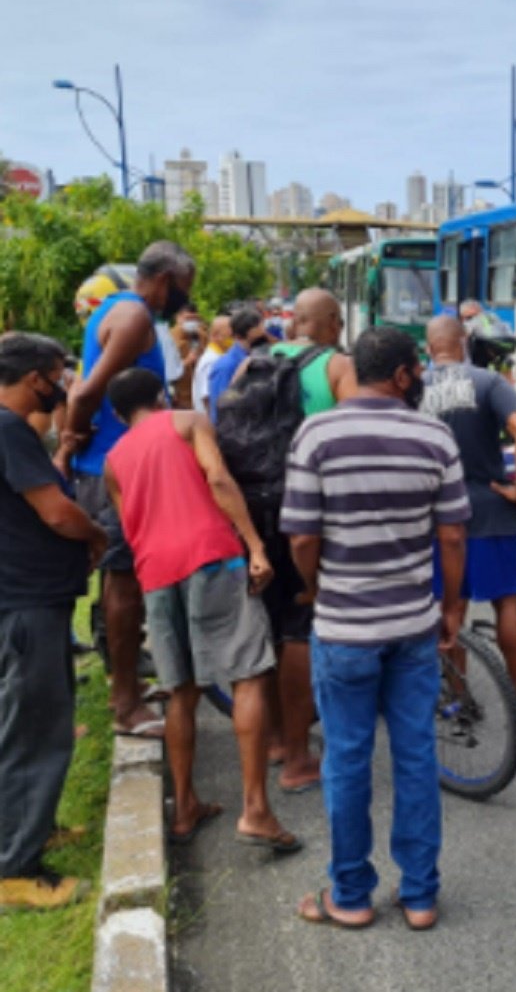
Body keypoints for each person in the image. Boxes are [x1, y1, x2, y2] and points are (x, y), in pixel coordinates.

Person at [282, 326, 469, 931]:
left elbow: (303, 535)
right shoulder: (433, 435)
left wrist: (313, 586)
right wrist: (454, 606)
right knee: (415, 755)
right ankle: (419, 896)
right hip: (412, 626)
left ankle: (352, 896)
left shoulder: (317, 432)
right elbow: (452, 534)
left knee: (347, 758)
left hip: (342, 628)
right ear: (402, 374)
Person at [103, 367, 299, 851]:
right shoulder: (186, 421)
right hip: (211, 556)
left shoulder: (112, 459)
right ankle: (256, 810)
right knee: (249, 675)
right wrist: (254, 545)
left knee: (180, 691)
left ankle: (185, 805)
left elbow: (130, 525)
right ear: (161, 394)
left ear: (116, 413)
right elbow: (219, 479)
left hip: (155, 571)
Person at [65, 240, 195, 738]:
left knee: (127, 582)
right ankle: (125, 705)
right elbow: (88, 389)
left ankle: (129, 688)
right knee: (123, 583)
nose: (183, 301)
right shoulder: (136, 316)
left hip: (117, 465)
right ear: (164, 280)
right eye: (184, 290)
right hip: (114, 469)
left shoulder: (121, 312)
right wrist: (74, 437)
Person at [0, 334, 106, 912]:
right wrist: (96, 533)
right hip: (26, 605)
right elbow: (57, 512)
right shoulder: (9, 429)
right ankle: (14, 870)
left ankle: (30, 829)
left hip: (26, 599)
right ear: (38, 379)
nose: (65, 385)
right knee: (33, 734)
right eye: (59, 375)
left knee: (36, 721)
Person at [421, 316, 516, 725]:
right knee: (508, 605)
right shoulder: (488, 382)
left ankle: (461, 701)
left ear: (429, 350)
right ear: (463, 343)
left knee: (451, 611)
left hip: (440, 513)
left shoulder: (414, 389)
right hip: (492, 506)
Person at [245, 288, 356, 792]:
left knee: (265, 624)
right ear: (331, 322)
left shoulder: (253, 363)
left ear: (295, 322)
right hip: (309, 511)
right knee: (298, 629)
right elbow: (359, 437)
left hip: (253, 512)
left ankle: (269, 740)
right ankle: (296, 756)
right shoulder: (336, 366)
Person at [206, 308, 271, 422]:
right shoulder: (227, 366)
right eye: (261, 327)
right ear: (251, 332)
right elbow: (220, 408)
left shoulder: (258, 357)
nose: (264, 332)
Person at [193, 316, 233, 416]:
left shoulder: (220, 356)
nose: (233, 340)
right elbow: (207, 398)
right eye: (230, 336)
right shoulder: (212, 360)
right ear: (215, 336)